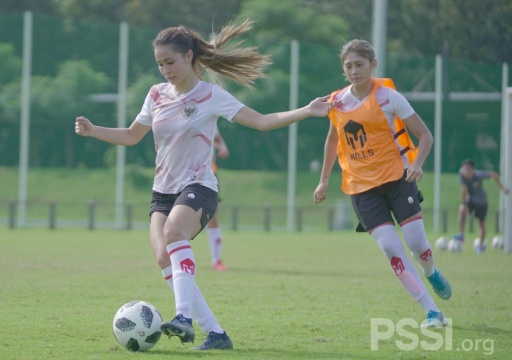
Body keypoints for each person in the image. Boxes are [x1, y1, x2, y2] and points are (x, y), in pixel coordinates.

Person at [75, 19, 336, 351]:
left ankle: (182, 317)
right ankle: (216, 334)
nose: (165, 69)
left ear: (188, 56)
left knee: (173, 235)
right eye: (159, 63)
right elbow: (131, 135)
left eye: (170, 62)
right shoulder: (155, 95)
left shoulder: (211, 96)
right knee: (162, 257)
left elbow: (262, 122)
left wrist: (308, 110)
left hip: (199, 186)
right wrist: (94, 129)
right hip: (162, 191)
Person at [313, 39, 451, 328]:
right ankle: (432, 311)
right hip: (362, 189)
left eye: (359, 65)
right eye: (348, 66)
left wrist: (417, 165)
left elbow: (425, 136)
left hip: (398, 180)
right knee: (391, 248)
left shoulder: (389, 97)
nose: (354, 71)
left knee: (416, 243)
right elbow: (332, 140)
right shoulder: (336, 102)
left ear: (373, 65)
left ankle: (431, 270)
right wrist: (323, 180)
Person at [455, 159, 509, 253]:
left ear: (473, 169)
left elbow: (494, 175)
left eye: (469, 169)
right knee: (462, 209)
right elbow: (463, 189)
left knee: (481, 223)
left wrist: (503, 188)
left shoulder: (479, 174)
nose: (467, 171)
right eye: (465, 169)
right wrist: (464, 203)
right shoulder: (462, 175)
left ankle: (480, 246)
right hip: (470, 200)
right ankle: (461, 235)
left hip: (481, 202)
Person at [208, 125, 230, 271]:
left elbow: (217, 139)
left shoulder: (210, 111)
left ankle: (217, 260)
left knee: (212, 216)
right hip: (181, 171)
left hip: (208, 173)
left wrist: (221, 147)